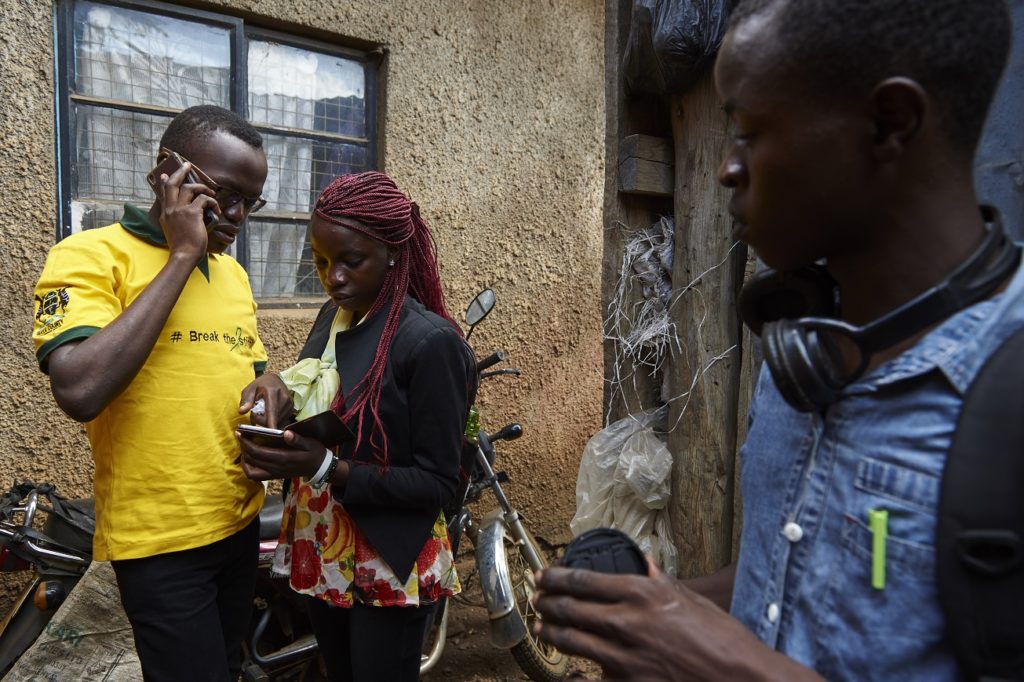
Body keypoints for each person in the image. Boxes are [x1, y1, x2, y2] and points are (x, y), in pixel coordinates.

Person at [532, 1, 1020, 680]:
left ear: (889, 124)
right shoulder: (808, 350)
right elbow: (791, 578)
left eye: (750, 132)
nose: (728, 168)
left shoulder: (1008, 388)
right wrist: (655, 610)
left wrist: (720, 664)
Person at [31, 105, 269, 681]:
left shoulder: (232, 274)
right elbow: (80, 388)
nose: (236, 217)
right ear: (169, 173)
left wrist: (271, 388)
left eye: (250, 202)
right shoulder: (88, 256)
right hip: (161, 547)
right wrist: (182, 254)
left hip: (240, 526)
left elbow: (252, 368)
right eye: (225, 194)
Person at [236, 171, 476, 682]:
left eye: (350, 260)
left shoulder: (429, 343)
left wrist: (326, 466)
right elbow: (322, 404)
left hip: (386, 552)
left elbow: (436, 482)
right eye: (320, 261)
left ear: (392, 252)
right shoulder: (334, 316)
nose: (333, 277)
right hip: (322, 541)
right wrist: (275, 406)